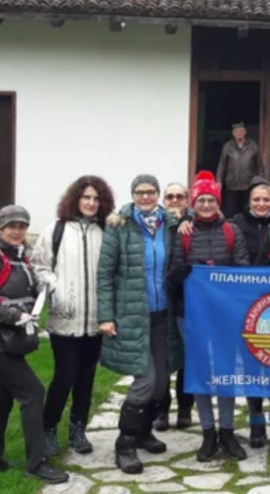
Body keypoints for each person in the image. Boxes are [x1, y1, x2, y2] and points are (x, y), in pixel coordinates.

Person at [0, 205, 68, 484]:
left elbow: (19, 288)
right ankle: (37, 463)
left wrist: (40, 290)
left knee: (1, 397)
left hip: (7, 342)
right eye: (11, 226)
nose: (16, 231)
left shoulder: (19, 256)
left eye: (22, 226)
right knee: (33, 393)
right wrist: (14, 316)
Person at [167, 171, 250, 461]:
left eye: (210, 200)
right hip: (189, 314)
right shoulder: (183, 232)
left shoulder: (231, 231)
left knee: (225, 369)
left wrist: (218, 275)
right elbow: (173, 273)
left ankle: (227, 430)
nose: (205, 205)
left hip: (224, 315)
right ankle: (207, 432)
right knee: (200, 371)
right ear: (193, 202)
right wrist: (187, 273)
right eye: (200, 200)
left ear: (218, 202)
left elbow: (243, 269)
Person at [97, 174, 177, 474]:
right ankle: (125, 444)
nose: (145, 197)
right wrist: (105, 316)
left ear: (158, 194)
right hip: (132, 315)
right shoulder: (119, 226)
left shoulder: (170, 225)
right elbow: (105, 275)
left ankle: (144, 432)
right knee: (145, 381)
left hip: (162, 316)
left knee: (159, 384)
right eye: (139, 192)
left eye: (151, 192)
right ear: (132, 195)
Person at [33, 176, 115, 457]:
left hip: (96, 320)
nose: (91, 203)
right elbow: (39, 266)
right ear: (76, 199)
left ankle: (78, 428)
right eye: (86, 197)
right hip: (64, 319)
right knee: (65, 375)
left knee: (86, 377)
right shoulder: (55, 230)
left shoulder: (107, 231)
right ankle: (48, 428)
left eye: (96, 198)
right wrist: (54, 285)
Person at [230, 176, 270, 450]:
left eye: (266, 199)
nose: (262, 203)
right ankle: (256, 420)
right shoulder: (233, 225)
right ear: (248, 202)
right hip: (246, 305)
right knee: (252, 364)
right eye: (256, 199)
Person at [155, 182, 196, 432]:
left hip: (186, 301)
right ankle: (161, 409)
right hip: (160, 300)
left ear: (187, 200)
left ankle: (184, 408)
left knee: (187, 359)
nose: (174, 200)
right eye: (169, 196)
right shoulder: (155, 223)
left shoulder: (194, 223)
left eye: (179, 196)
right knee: (162, 359)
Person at [216, 122, 265, 218]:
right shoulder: (228, 146)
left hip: (248, 184)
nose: (239, 133)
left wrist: (261, 182)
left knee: (247, 211)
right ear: (233, 133)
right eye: (236, 131)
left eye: (241, 130)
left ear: (245, 132)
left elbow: (259, 166)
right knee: (231, 211)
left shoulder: (252, 145)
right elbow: (222, 165)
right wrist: (218, 181)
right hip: (232, 185)